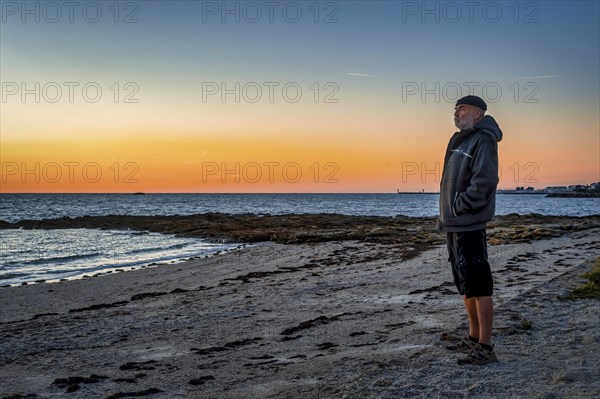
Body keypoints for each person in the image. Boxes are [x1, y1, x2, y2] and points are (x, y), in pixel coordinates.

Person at [437, 95, 503, 365]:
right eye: (455, 109)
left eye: (461, 108)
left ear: (477, 113)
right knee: (466, 285)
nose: (456, 112)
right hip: (454, 225)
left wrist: (460, 206)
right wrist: (450, 213)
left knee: (479, 285)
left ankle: (486, 348)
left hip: (470, 224)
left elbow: (485, 180)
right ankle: (474, 338)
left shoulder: (483, 138)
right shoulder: (461, 139)